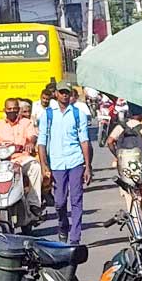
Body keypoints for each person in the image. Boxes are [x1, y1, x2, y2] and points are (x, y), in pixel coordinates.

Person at [38, 80, 91, 244]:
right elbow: (41, 142)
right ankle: (63, 225)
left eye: (67, 92)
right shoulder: (48, 115)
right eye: (61, 92)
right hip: (57, 164)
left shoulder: (78, 114)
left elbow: (84, 141)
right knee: (60, 202)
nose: (64, 95)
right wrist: (44, 165)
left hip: (75, 161)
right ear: (56, 94)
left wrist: (87, 166)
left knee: (76, 200)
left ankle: (75, 237)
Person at [0, 98, 42, 215]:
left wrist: (30, 143)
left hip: (22, 159)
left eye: (14, 109)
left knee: (35, 167)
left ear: (19, 110)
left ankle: (34, 203)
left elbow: (32, 136)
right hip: (3, 162)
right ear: (4, 110)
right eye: (9, 109)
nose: (12, 111)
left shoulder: (26, 123)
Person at [107, 103, 142, 209]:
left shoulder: (121, 127)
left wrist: (117, 155)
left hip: (125, 167)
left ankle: (134, 220)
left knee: (129, 196)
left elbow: (109, 141)